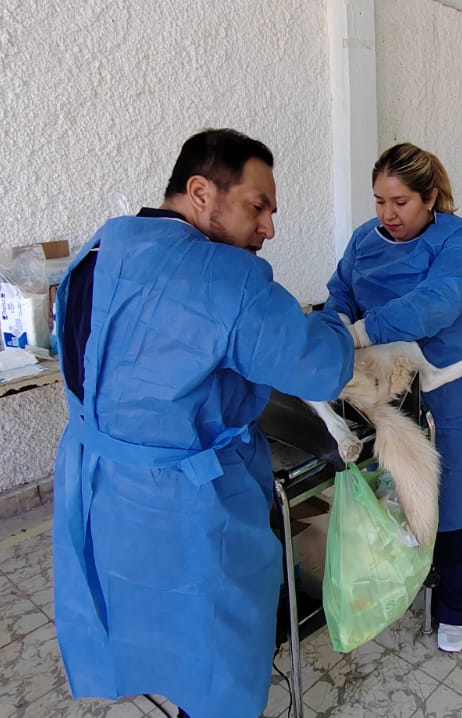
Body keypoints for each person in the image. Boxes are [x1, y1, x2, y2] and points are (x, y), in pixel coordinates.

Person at [52, 128, 361, 718]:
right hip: (188, 506)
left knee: (141, 621)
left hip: (101, 490)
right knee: (218, 655)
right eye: (258, 206)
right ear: (200, 193)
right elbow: (320, 369)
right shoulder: (228, 277)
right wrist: (335, 323)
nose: (269, 227)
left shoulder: (100, 248)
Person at [318, 143, 462, 654]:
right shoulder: (365, 239)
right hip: (384, 376)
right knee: (393, 478)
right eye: (380, 200)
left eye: (400, 202)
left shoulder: (461, 242)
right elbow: (341, 291)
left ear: (430, 198)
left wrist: (362, 332)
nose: (387, 214)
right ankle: (402, 574)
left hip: (450, 376)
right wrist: (335, 322)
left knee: (452, 483)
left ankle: (454, 603)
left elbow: (436, 303)